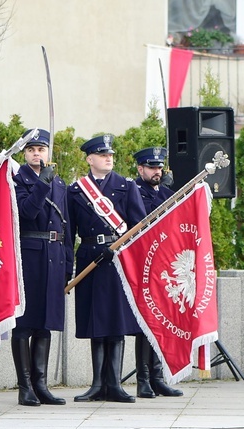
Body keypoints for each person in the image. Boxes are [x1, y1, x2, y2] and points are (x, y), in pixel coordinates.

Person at [67, 134, 145, 403]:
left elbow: (138, 229)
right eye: (102, 155)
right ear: (90, 159)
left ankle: (115, 384)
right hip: (89, 256)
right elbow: (69, 232)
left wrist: (119, 251)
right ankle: (97, 384)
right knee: (95, 321)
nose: (108, 158)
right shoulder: (76, 190)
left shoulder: (126, 186)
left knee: (116, 321)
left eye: (110, 154)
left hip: (117, 260)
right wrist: (69, 268)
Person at [11, 129, 73, 406]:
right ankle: (25, 387)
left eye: (42, 149)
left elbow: (66, 226)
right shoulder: (18, 181)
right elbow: (27, 213)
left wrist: (68, 264)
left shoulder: (59, 183)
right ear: (24, 153)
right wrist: (41, 185)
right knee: (25, 325)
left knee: (45, 325)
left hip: (55, 255)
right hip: (30, 255)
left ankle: (41, 384)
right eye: (32, 149)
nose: (37, 153)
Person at [132, 147, 184, 398]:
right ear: (140, 169)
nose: (157, 172)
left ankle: (157, 376)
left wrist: (168, 191)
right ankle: (143, 379)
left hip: (161, 265)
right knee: (145, 323)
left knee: (160, 320)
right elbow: (144, 221)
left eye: (159, 167)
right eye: (151, 167)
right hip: (143, 263)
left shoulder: (164, 192)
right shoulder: (134, 191)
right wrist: (164, 193)